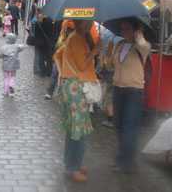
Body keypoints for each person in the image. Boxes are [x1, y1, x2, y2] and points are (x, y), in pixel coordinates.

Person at [54, 19, 102, 182]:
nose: (90, 25)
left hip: (71, 85)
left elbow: (58, 55)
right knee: (81, 130)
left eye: (91, 22)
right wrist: (96, 50)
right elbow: (82, 65)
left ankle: (72, 163)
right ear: (79, 22)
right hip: (76, 87)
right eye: (87, 22)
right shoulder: (77, 38)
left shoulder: (75, 37)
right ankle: (72, 168)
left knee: (73, 128)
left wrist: (61, 72)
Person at [105, 18, 151, 173]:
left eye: (129, 29)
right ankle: (122, 158)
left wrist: (139, 34)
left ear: (135, 30)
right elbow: (109, 66)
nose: (125, 32)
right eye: (123, 29)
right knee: (118, 125)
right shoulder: (119, 45)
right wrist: (109, 53)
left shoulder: (142, 47)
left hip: (134, 91)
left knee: (129, 127)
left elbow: (143, 45)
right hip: (118, 89)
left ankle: (127, 162)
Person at [45, 20, 74, 99]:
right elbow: (58, 48)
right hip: (62, 56)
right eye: (68, 29)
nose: (68, 31)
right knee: (56, 73)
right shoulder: (65, 24)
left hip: (69, 58)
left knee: (60, 75)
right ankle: (50, 92)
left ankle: (61, 93)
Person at [35, 12, 53, 77]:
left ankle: (42, 72)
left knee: (41, 57)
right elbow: (50, 32)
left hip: (40, 42)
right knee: (49, 57)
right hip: (47, 41)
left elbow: (35, 33)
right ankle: (48, 72)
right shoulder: (50, 21)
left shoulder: (37, 23)